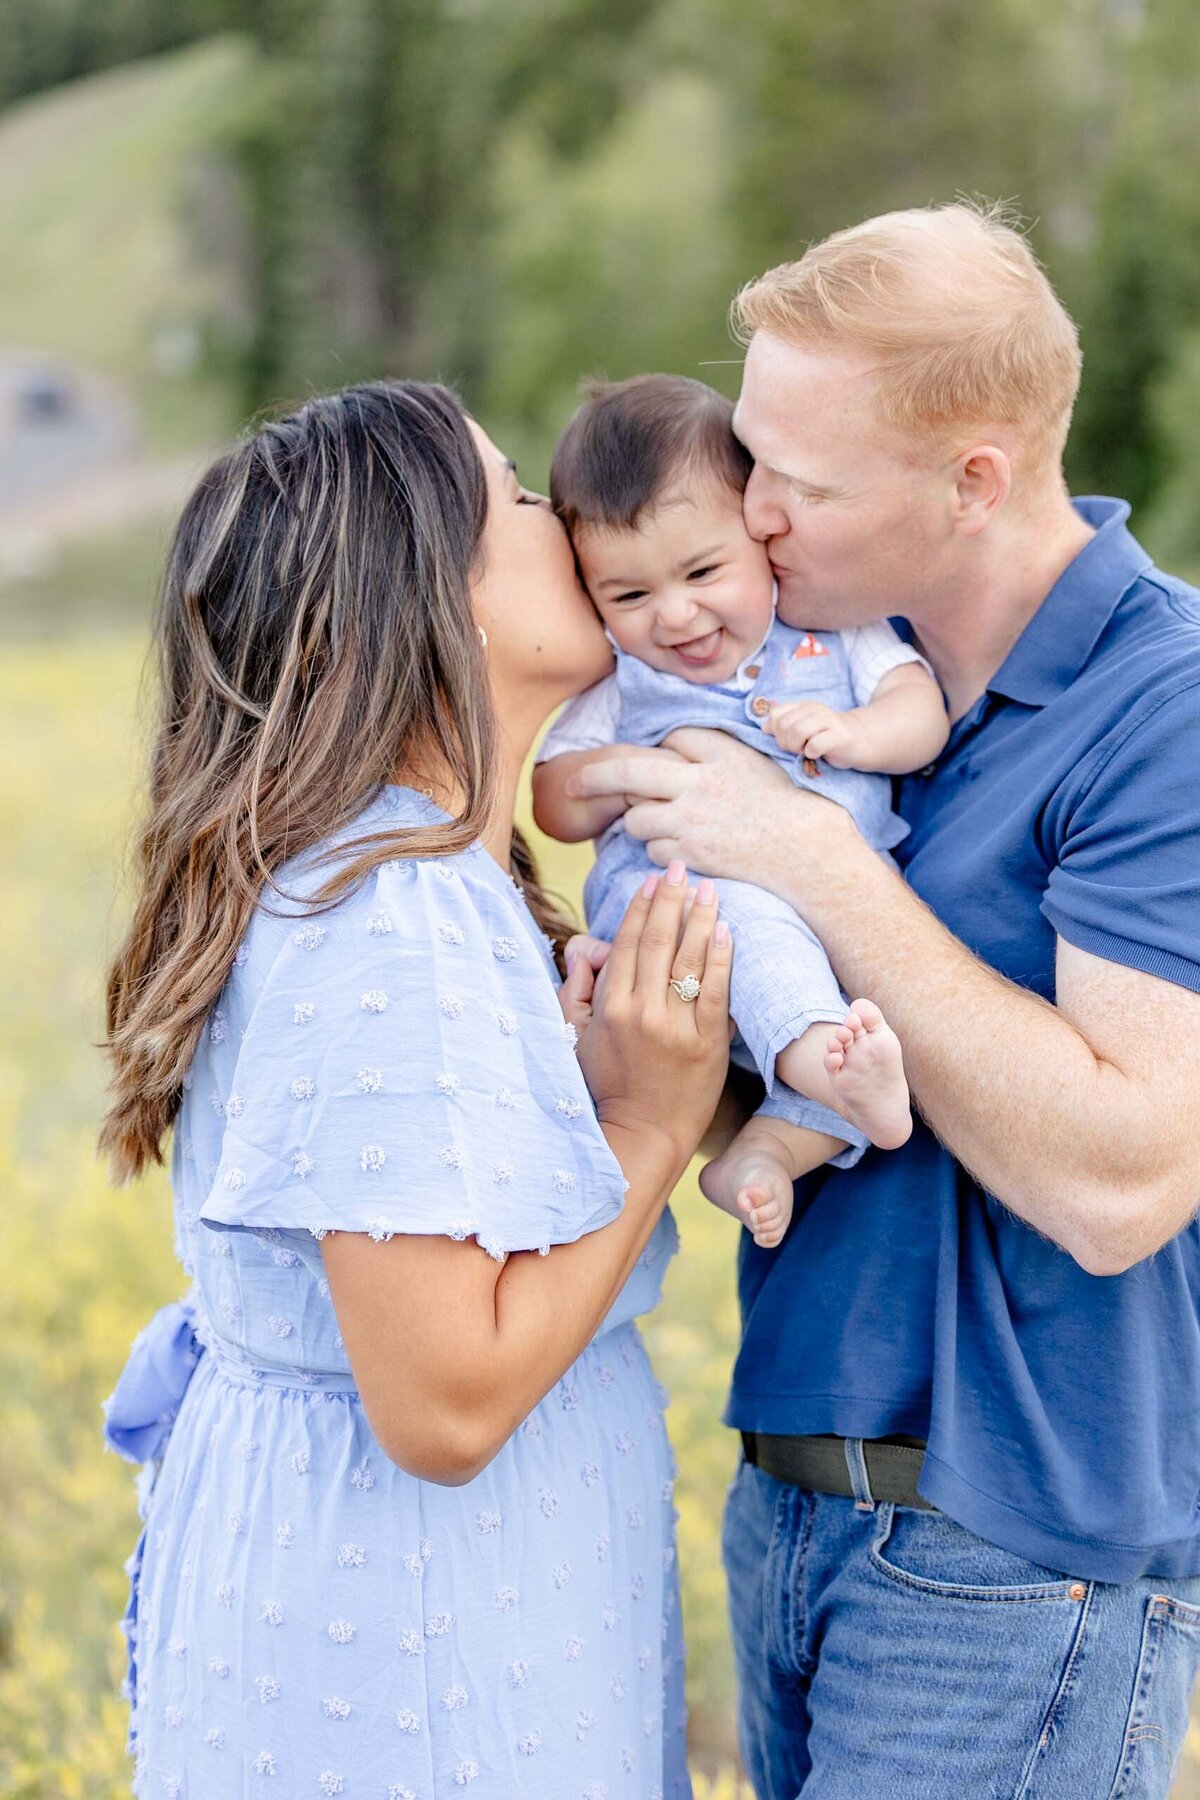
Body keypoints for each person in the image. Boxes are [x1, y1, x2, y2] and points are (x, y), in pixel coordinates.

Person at [564, 203, 1200, 1797]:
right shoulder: (819, 669)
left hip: (1009, 1547)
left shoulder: (1165, 703)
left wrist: (815, 864)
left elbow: (1124, 1177)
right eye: (750, 456)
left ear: (973, 477)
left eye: (800, 479)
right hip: (790, 1489)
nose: (752, 512)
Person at [98, 379, 732, 1799]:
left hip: (417, 1616)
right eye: (513, 497)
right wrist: (652, 1121)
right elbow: (444, 1406)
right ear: (430, 596)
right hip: (416, 1651)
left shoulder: (424, 877)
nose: (557, 521)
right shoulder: (395, 905)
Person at [533, 374, 947, 1249]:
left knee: (871, 1022)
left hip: (841, 919)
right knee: (757, 938)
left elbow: (921, 718)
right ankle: (829, 1075)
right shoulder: (625, 677)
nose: (675, 615)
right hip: (692, 926)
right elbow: (554, 804)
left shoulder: (827, 633)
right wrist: (621, 770)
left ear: (762, 540)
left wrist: (855, 731)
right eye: (630, 596)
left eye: (702, 571)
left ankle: (759, 1156)